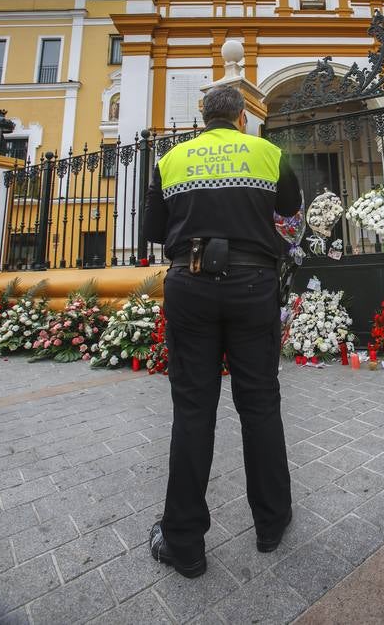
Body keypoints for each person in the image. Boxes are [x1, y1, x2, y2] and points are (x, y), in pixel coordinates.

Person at [143, 84, 301, 578]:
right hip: (253, 283)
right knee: (260, 403)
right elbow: (292, 208)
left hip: (189, 285)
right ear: (239, 119)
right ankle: (271, 523)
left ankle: (184, 542)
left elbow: (152, 230)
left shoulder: (173, 158)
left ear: (202, 117)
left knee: (193, 408)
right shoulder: (265, 151)